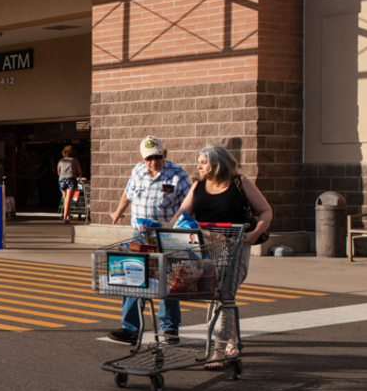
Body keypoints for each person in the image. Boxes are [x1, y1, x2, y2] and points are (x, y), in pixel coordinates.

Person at [177, 143, 272, 369]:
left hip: (235, 246)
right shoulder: (198, 186)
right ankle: (232, 342)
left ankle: (218, 351)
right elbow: (181, 215)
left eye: (203, 162)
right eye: (198, 162)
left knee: (223, 295)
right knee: (217, 295)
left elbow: (266, 210)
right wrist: (164, 232)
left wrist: (255, 232)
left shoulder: (239, 183)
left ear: (216, 163)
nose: (198, 166)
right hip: (206, 249)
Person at [108, 135, 191, 345]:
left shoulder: (178, 175)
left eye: (157, 157)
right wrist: (118, 211)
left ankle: (170, 328)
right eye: (148, 159)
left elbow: (190, 203)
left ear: (164, 154)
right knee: (133, 278)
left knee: (168, 282)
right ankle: (130, 328)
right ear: (141, 158)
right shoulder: (137, 171)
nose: (153, 162)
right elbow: (127, 194)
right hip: (141, 235)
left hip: (168, 236)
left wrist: (176, 224)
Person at [57, 145, 84, 223]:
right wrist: (79, 176)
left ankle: (67, 215)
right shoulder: (75, 160)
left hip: (61, 179)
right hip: (71, 178)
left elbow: (59, 172)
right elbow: (80, 172)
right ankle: (65, 217)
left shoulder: (61, 161)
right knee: (69, 199)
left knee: (65, 198)